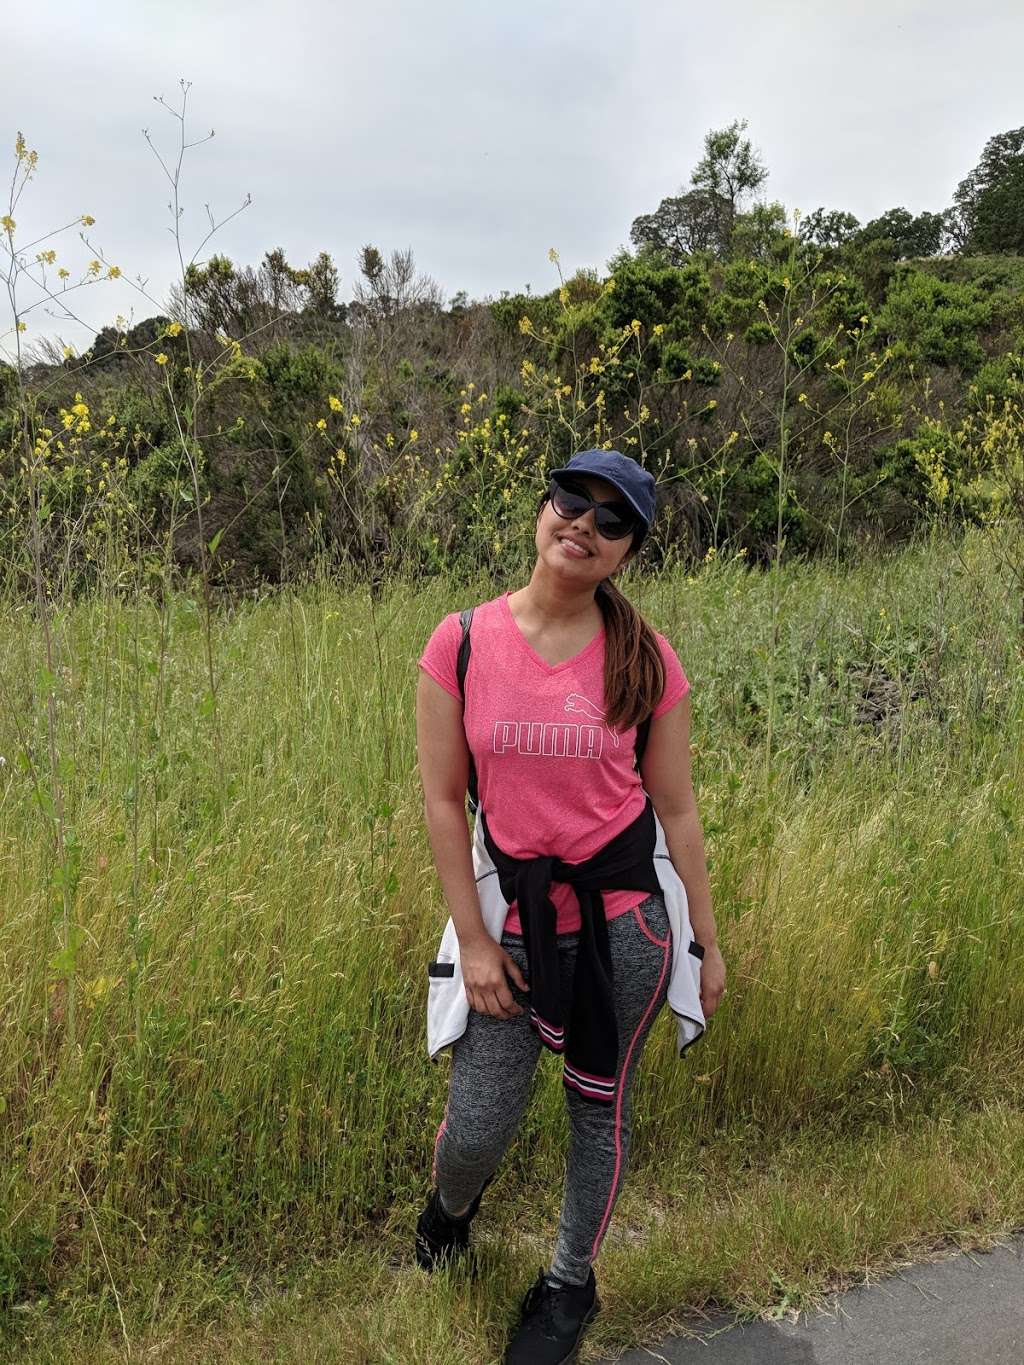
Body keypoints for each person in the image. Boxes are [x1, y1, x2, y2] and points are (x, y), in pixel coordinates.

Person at [414, 448, 726, 1365]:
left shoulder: (646, 660)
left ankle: (566, 1285)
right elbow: (442, 801)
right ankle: (449, 1210)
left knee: (599, 1110)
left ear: (629, 550)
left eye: (612, 518)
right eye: (571, 500)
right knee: (477, 1124)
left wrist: (705, 941)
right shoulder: (461, 641)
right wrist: (473, 940)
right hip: (509, 927)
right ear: (543, 507)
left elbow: (675, 807)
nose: (583, 524)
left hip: (623, 926)